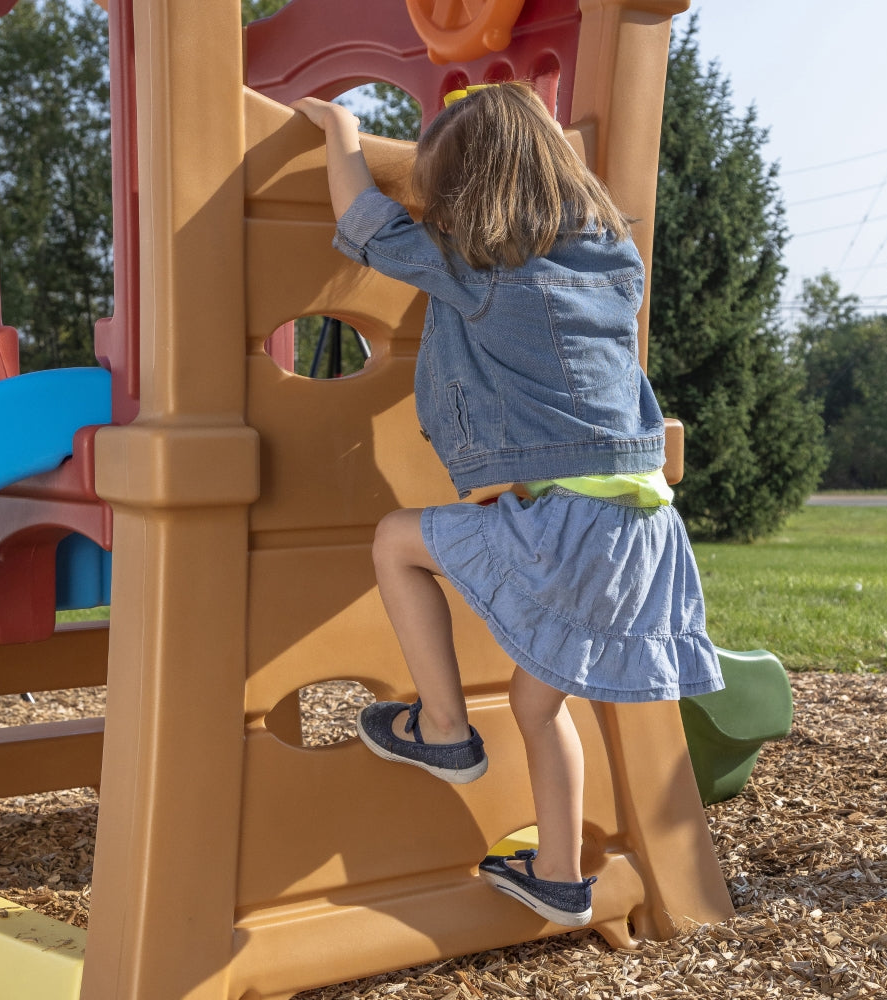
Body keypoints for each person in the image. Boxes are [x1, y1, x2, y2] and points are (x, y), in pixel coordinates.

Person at [291, 83, 724, 928]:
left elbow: (366, 221)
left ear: (465, 194)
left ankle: (444, 726)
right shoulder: (613, 261)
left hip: (570, 524)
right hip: (642, 528)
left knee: (393, 540)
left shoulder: (482, 273)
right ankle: (559, 878)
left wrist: (341, 129)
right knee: (538, 702)